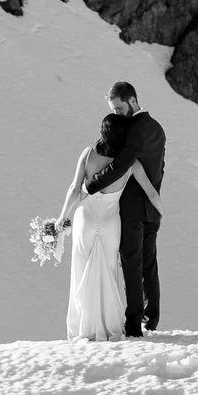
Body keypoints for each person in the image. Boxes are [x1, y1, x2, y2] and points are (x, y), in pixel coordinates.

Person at [49, 111, 147, 341]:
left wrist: (61, 218)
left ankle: (83, 329)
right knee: (108, 272)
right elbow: (149, 189)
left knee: (81, 271)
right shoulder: (128, 162)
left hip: (85, 218)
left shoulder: (88, 154)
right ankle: (109, 325)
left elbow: (74, 189)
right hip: (111, 222)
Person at [86, 81, 165, 336]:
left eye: (119, 109)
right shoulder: (157, 128)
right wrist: (155, 200)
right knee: (148, 263)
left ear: (132, 100)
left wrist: (90, 186)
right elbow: (159, 168)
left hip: (132, 209)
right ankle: (151, 318)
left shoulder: (134, 129)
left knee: (131, 264)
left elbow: (120, 165)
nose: (117, 115)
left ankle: (133, 326)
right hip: (152, 206)